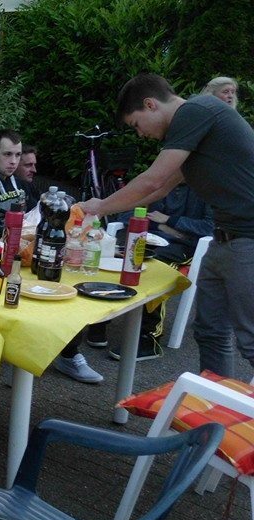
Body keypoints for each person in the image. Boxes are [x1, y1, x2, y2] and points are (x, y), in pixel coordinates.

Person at [80, 73, 254, 378]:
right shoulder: (193, 131)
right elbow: (158, 190)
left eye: (136, 124)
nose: (140, 134)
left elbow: (153, 179)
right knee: (211, 332)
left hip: (248, 239)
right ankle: (214, 413)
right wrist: (105, 212)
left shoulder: (196, 111)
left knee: (250, 339)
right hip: (224, 239)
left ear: (150, 105)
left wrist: (99, 206)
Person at [0, 135, 103, 383]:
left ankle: (68, 354)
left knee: (65, 289)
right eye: (7, 155)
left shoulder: (20, 184)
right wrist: (18, 232)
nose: (13, 161)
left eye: (17, 155)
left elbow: (44, 213)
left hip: (26, 254)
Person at [106, 184, 214, 361]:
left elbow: (210, 227)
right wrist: (162, 225)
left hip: (184, 247)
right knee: (115, 258)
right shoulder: (159, 181)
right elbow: (126, 213)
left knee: (156, 275)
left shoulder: (206, 188)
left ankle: (149, 339)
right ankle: (101, 323)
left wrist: (169, 220)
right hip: (148, 239)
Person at [15, 144, 41, 212]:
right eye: (28, 165)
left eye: (34, 165)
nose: (34, 170)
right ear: (14, 165)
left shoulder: (30, 186)